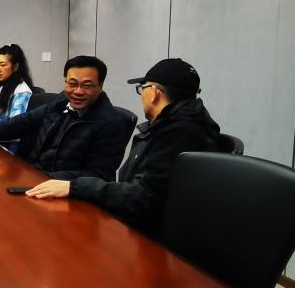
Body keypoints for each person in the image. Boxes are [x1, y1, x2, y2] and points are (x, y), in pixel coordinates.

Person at [25, 58, 221, 236]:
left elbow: (141, 197)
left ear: (154, 92)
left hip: (149, 238)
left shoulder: (177, 133)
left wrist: (75, 187)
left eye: (142, 88)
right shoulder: (179, 126)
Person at [0, 55, 130, 181]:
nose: (78, 91)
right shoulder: (62, 102)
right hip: (37, 177)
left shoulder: (111, 123)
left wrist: (42, 178)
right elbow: (25, 121)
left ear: (100, 86)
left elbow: (98, 175)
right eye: (72, 84)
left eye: (87, 85)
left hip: (65, 191)